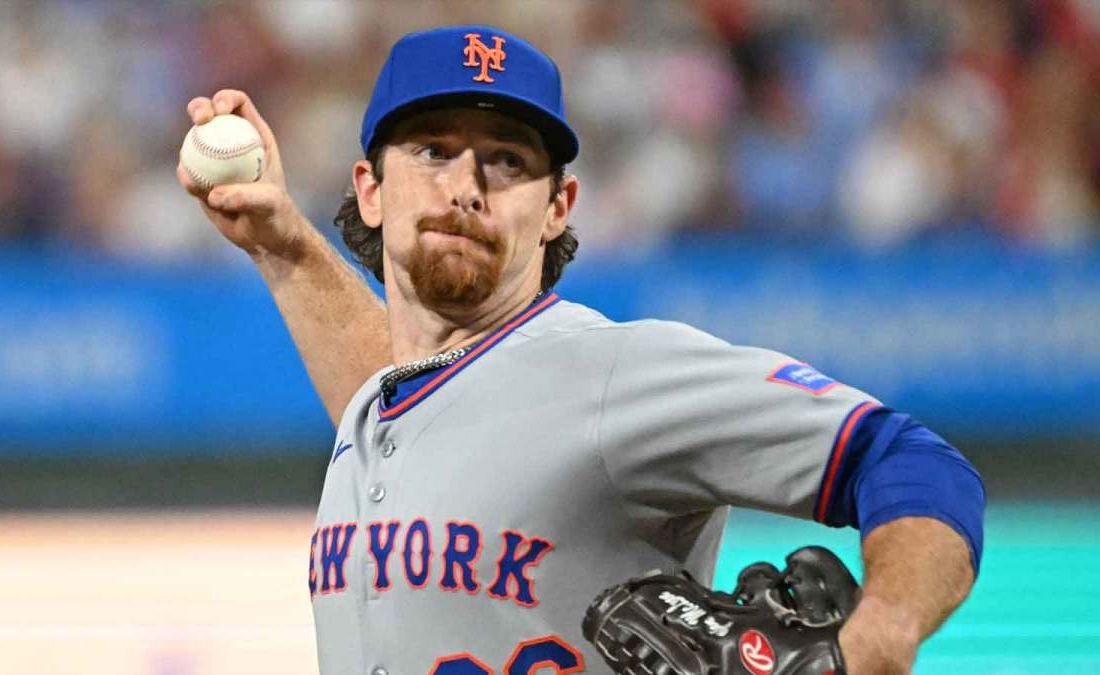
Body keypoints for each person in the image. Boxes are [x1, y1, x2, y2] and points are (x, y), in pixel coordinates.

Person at [179, 25, 984, 675]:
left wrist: (880, 636)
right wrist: (283, 244)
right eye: (433, 150)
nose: (466, 186)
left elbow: (913, 462)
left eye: (508, 161)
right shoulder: (386, 405)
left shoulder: (616, 374)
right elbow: (434, 413)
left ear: (558, 205)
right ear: (369, 189)